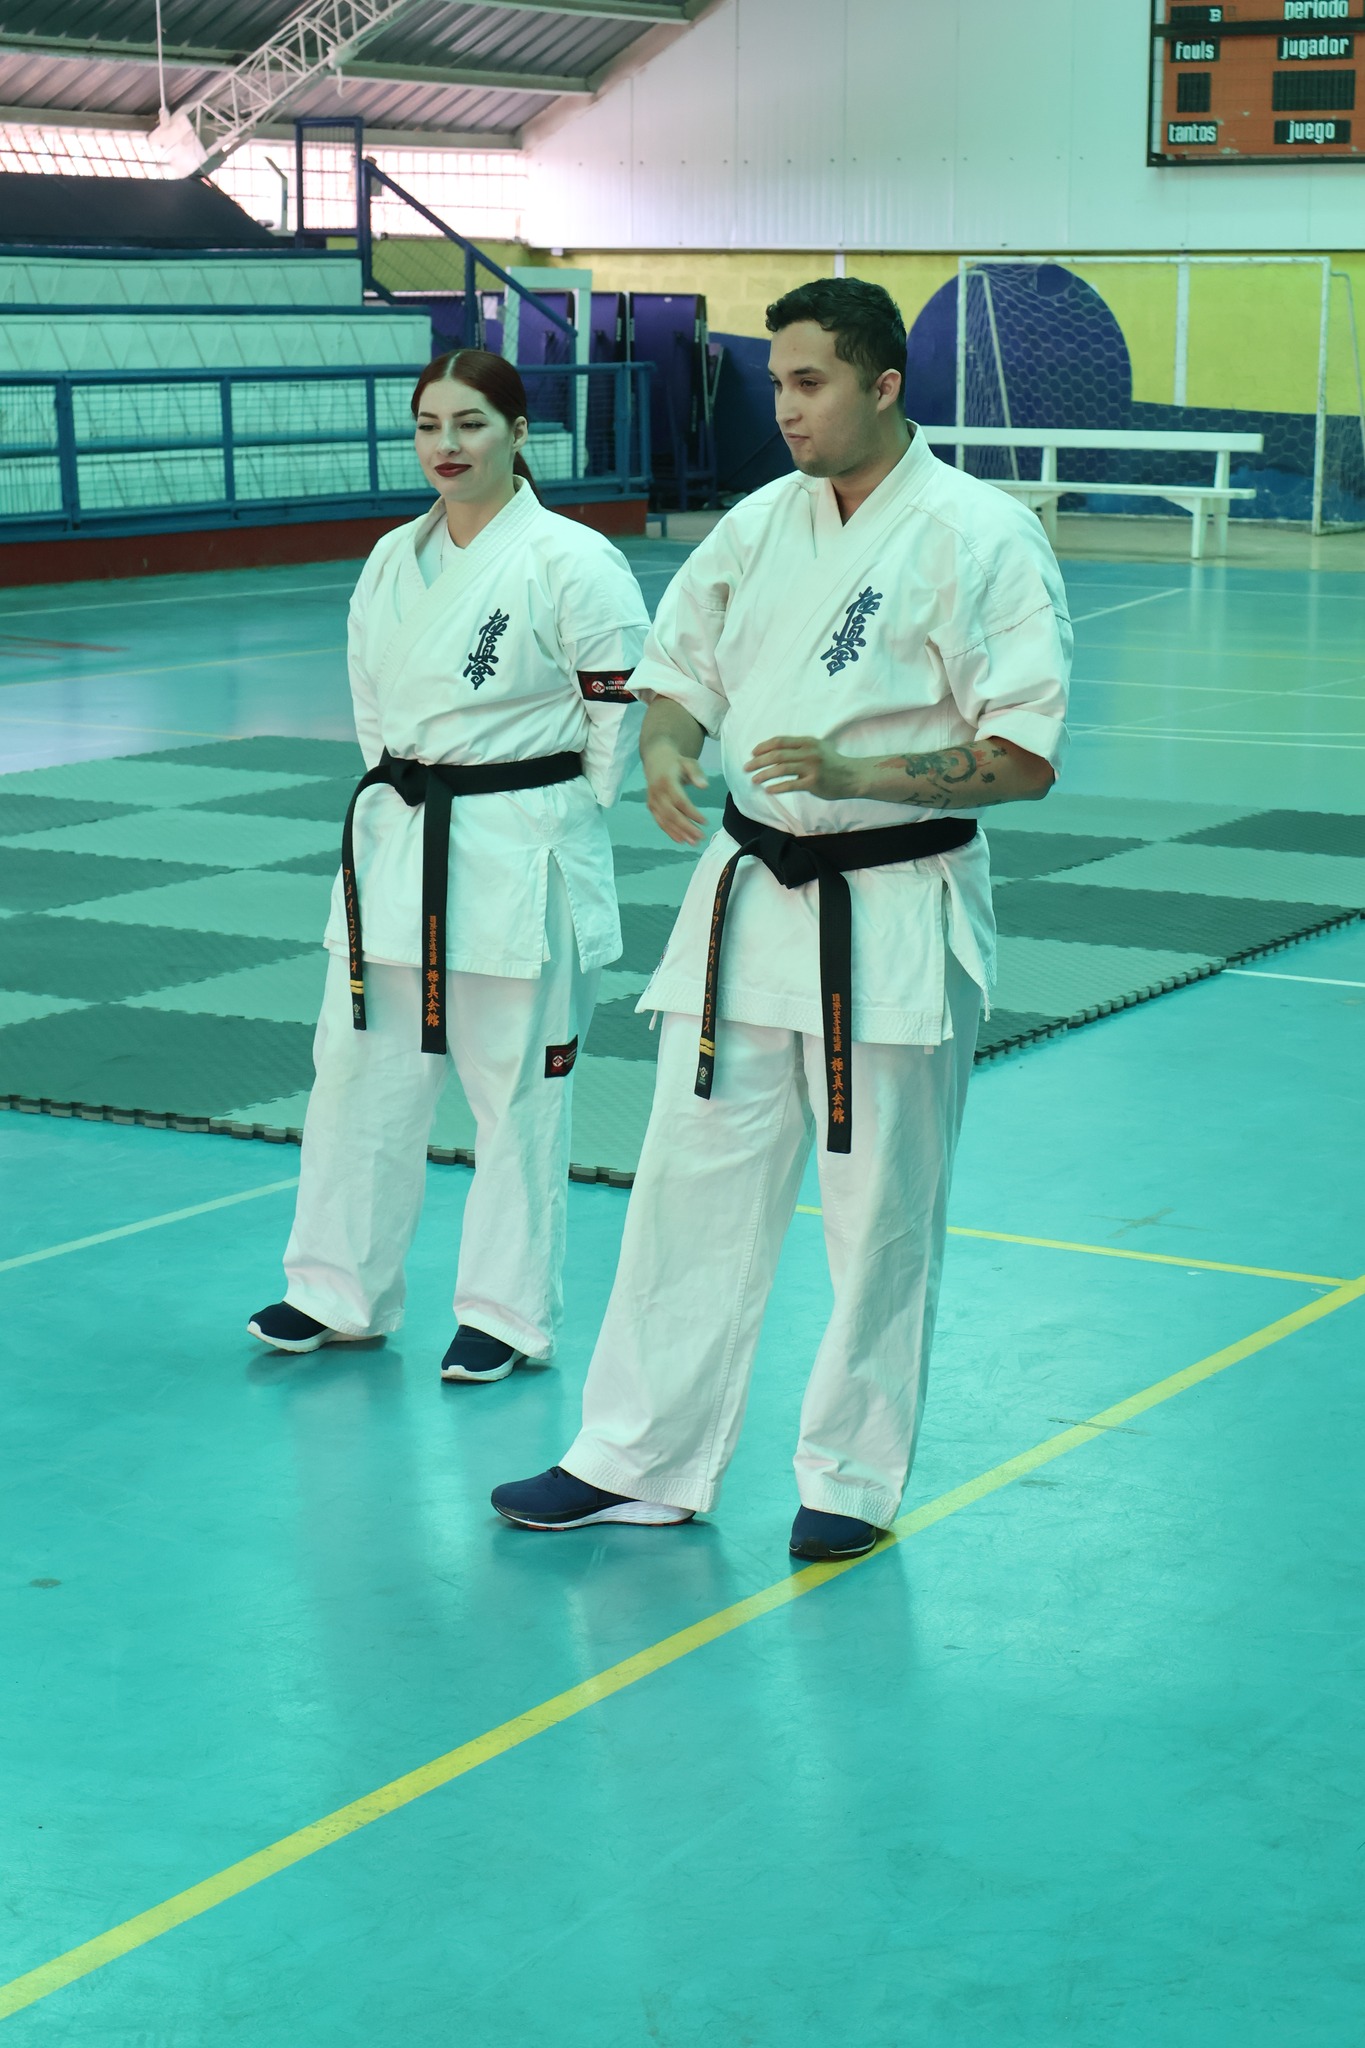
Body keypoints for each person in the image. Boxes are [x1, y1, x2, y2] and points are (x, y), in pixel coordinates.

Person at [491, 278, 1071, 1556]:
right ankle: (636, 1454)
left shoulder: (981, 534)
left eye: (811, 384)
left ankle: (850, 1479)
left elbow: (1025, 754)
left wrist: (864, 774)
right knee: (686, 1185)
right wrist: (664, 748)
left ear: (882, 385)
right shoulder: (761, 520)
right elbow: (682, 668)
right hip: (750, 899)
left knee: (884, 1210)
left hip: (897, 909)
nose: (786, 408)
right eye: (777, 384)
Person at [248, 348, 649, 1380]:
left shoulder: (572, 559)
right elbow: (374, 711)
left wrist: (549, 812)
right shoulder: (392, 557)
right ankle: (336, 1289)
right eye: (429, 425)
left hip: (520, 851)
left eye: (470, 424)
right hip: (398, 844)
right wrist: (411, 792)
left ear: (520, 432)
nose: (446, 446)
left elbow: (621, 715)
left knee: (516, 1096)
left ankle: (506, 1313)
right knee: (356, 1074)